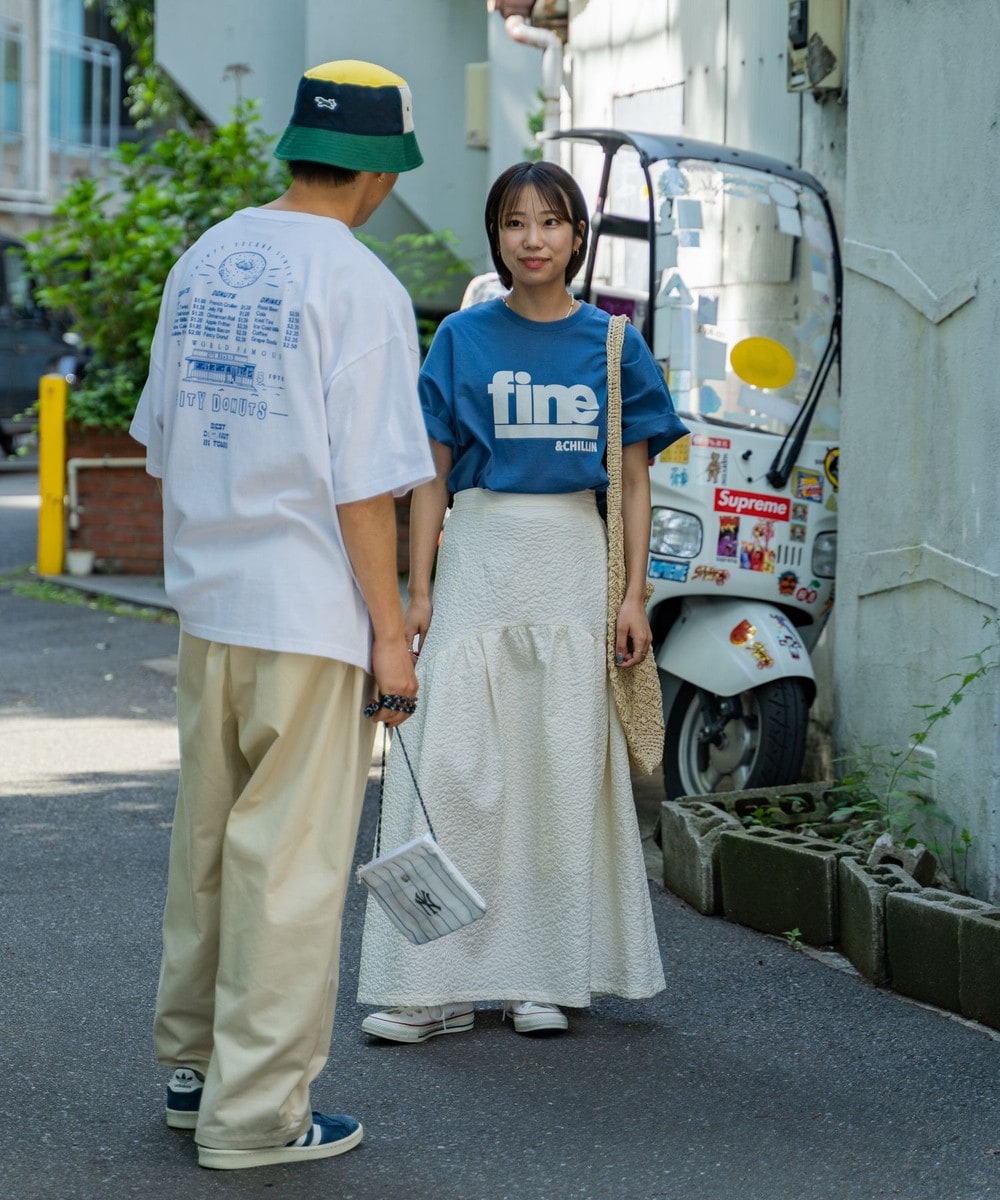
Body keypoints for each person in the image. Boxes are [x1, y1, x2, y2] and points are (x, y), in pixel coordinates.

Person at [129, 59, 435, 1169]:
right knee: (289, 866)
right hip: (308, 614)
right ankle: (258, 1118)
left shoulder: (207, 255)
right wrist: (392, 635)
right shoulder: (358, 285)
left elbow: (160, 440)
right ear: (376, 172)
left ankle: (196, 1068)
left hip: (210, 604)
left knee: (209, 844)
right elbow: (367, 486)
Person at [356, 160, 687, 1042]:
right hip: (480, 554)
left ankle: (545, 975)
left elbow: (635, 481)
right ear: (495, 238)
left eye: (550, 222)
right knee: (455, 766)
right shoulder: (462, 339)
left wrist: (632, 594)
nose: (532, 239)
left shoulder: (615, 344)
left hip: (573, 561)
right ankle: (432, 985)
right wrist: (417, 590)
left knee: (559, 768)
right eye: (514, 223)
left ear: (578, 236)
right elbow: (429, 477)